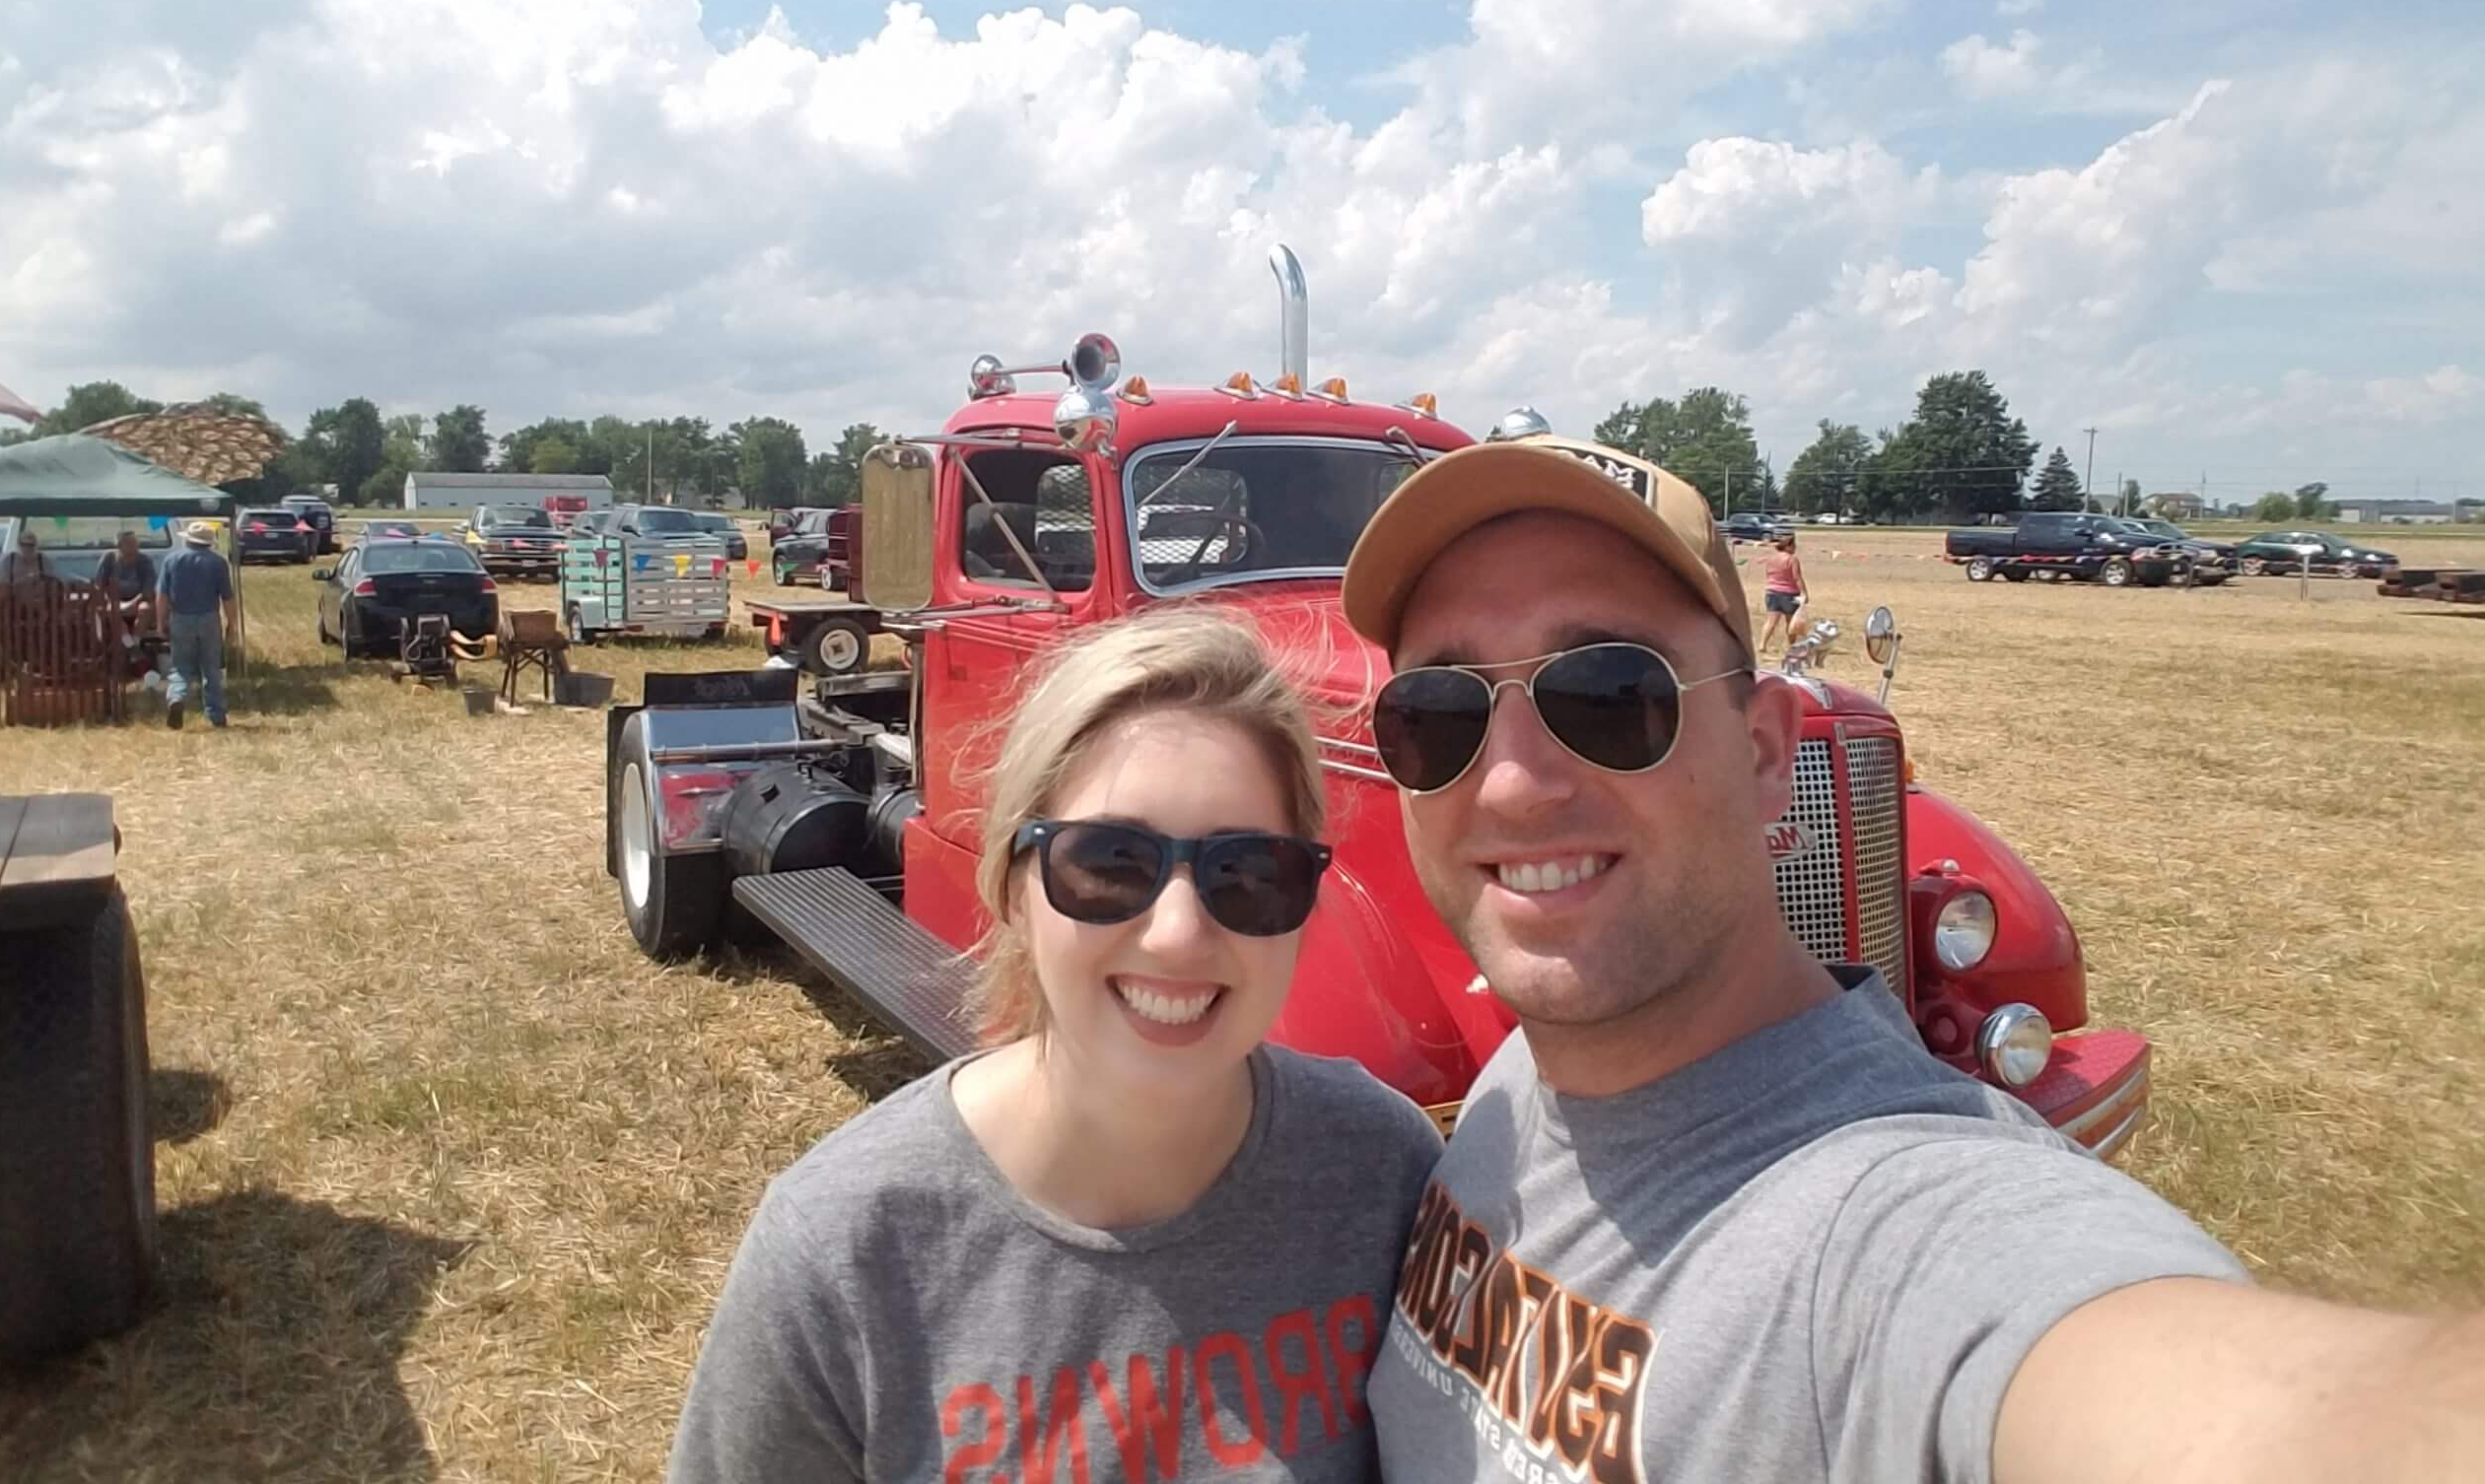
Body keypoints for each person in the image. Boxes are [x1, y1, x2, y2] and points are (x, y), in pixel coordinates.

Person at [1341, 435, 2482, 1484]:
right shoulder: (1512, 1095)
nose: (1511, 783)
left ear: (1765, 751)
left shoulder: (1894, 1225)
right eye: (1435, 717)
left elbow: (2239, 1409)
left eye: (1608, 694)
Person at [669, 608, 1442, 1483]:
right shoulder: (845, 1252)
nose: (1178, 934)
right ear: (1012, 885)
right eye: (1109, 862)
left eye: (1248, 872)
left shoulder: (1383, 1172)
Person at [157, 519, 238, 728]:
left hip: (181, 617)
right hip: (209, 618)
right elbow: (227, 597)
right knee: (211, 668)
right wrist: (232, 623)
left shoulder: (172, 560)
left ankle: (176, 697)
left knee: (181, 666)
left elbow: (163, 596)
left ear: (188, 539)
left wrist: (160, 622)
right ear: (209, 542)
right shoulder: (218, 563)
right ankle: (216, 715)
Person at [95, 528, 160, 642]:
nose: (134, 546)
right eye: (129, 543)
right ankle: (127, 642)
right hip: (114, 600)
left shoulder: (145, 561)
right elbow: (100, 584)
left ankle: (136, 641)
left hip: (138, 599)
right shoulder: (109, 558)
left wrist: (133, 603)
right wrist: (108, 600)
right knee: (112, 610)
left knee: (145, 609)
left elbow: (148, 588)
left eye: (136, 543)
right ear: (119, 546)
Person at [1756, 525, 1806, 656]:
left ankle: (1762, 644)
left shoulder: (1771, 558)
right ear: (1788, 546)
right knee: (1791, 622)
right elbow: (1797, 578)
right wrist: (1804, 593)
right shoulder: (1792, 559)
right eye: (1794, 545)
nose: (1795, 547)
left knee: (1770, 621)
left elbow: (1768, 574)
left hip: (1771, 592)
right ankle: (1792, 646)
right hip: (1789, 594)